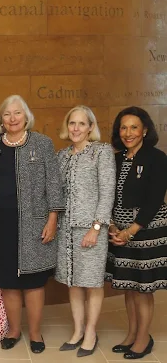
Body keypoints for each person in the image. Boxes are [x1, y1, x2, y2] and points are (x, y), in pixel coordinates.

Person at [0, 95, 63, 354]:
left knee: (34, 282)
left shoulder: (42, 143)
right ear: (0, 120)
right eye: (7, 114)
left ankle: (35, 333)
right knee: (7, 281)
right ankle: (14, 330)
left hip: (34, 225)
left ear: (26, 117)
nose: (13, 118)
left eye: (17, 113)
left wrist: (52, 219)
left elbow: (54, 184)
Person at [106, 106, 167, 360]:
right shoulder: (117, 158)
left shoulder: (156, 157)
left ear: (144, 130)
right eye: (123, 127)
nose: (128, 132)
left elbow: (155, 199)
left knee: (143, 289)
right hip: (119, 232)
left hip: (146, 230)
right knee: (129, 287)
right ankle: (131, 335)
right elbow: (108, 196)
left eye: (133, 127)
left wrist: (130, 231)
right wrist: (112, 227)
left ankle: (144, 339)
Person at [55, 106, 116, 357]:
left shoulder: (101, 152)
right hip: (65, 229)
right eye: (72, 123)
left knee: (91, 283)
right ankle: (78, 330)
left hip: (91, 229)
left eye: (82, 124)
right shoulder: (62, 155)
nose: (76, 128)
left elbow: (107, 191)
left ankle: (91, 332)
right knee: (73, 283)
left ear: (91, 127)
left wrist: (97, 227)